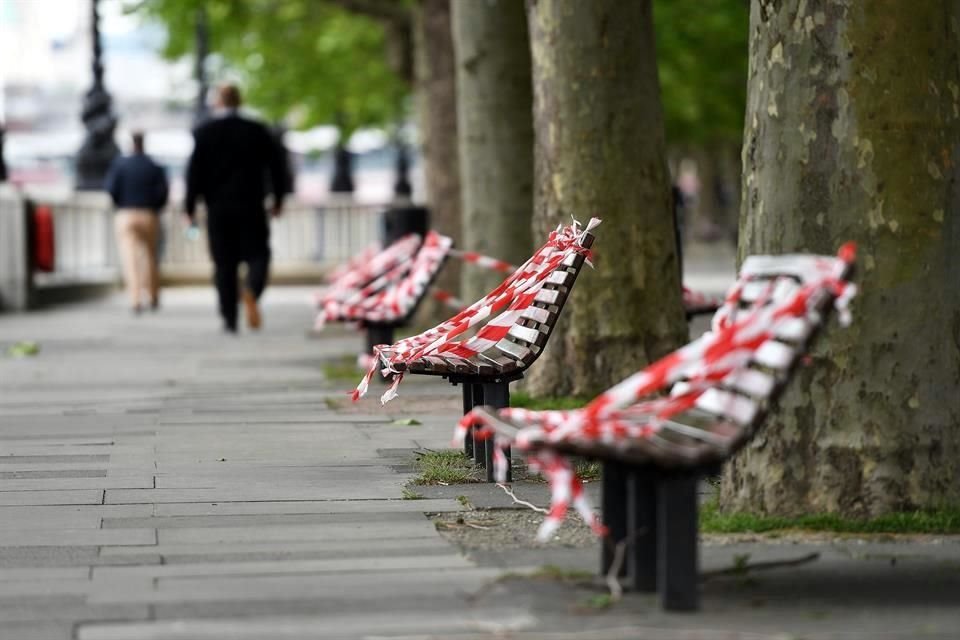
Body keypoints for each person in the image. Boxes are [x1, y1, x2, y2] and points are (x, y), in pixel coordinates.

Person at [185, 84, 286, 333]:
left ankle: (229, 318)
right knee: (259, 254)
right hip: (251, 205)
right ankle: (252, 288)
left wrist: (189, 206)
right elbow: (278, 167)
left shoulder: (204, 132)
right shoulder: (257, 130)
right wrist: (278, 199)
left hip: (218, 209)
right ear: (240, 101)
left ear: (218, 102)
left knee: (224, 264)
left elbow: (194, 173)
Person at [105, 131, 169, 313]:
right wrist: (154, 208)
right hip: (149, 213)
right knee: (150, 256)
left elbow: (111, 189)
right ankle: (153, 295)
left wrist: (121, 205)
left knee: (130, 258)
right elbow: (163, 192)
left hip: (126, 214)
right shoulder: (154, 166)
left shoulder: (120, 165)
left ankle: (135, 299)